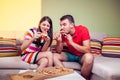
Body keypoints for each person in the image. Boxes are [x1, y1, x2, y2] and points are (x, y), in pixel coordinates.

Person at [53, 14, 94, 80]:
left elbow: (87, 50)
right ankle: (66, 77)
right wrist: (59, 41)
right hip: (71, 55)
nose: (62, 27)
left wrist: (71, 43)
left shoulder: (83, 30)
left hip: (82, 56)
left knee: (89, 57)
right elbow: (58, 51)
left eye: (64, 24)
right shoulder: (63, 33)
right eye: (61, 25)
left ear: (72, 25)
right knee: (54, 56)